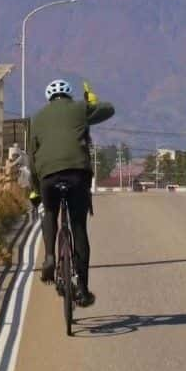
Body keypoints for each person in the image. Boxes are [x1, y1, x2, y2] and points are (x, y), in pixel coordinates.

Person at [28, 79, 115, 307]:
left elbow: (31, 157)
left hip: (48, 176)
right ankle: (84, 290)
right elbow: (108, 110)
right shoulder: (79, 108)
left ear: (49, 99)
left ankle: (49, 257)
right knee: (78, 228)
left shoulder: (37, 119)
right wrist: (92, 100)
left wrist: (35, 191)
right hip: (77, 175)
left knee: (49, 212)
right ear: (68, 95)